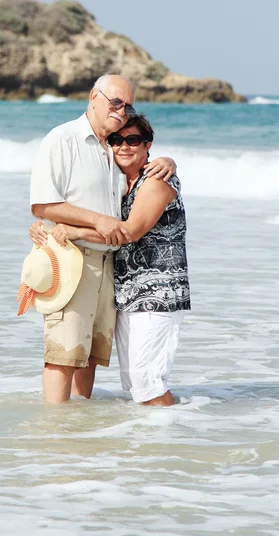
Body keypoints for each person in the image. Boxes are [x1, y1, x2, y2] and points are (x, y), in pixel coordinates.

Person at [29, 74, 176, 404]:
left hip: (110, 265)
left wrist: (169, 161)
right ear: (93, 97)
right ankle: (54, 434)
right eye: (115, 103)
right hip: (71, 259)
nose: (121, 111)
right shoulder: (63, 139)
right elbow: (41, 203)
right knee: (64, 352)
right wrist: (97, 221)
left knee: (90, 355)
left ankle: (82, 426)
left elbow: (141, 177)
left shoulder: (111, 148)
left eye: (127, 106)